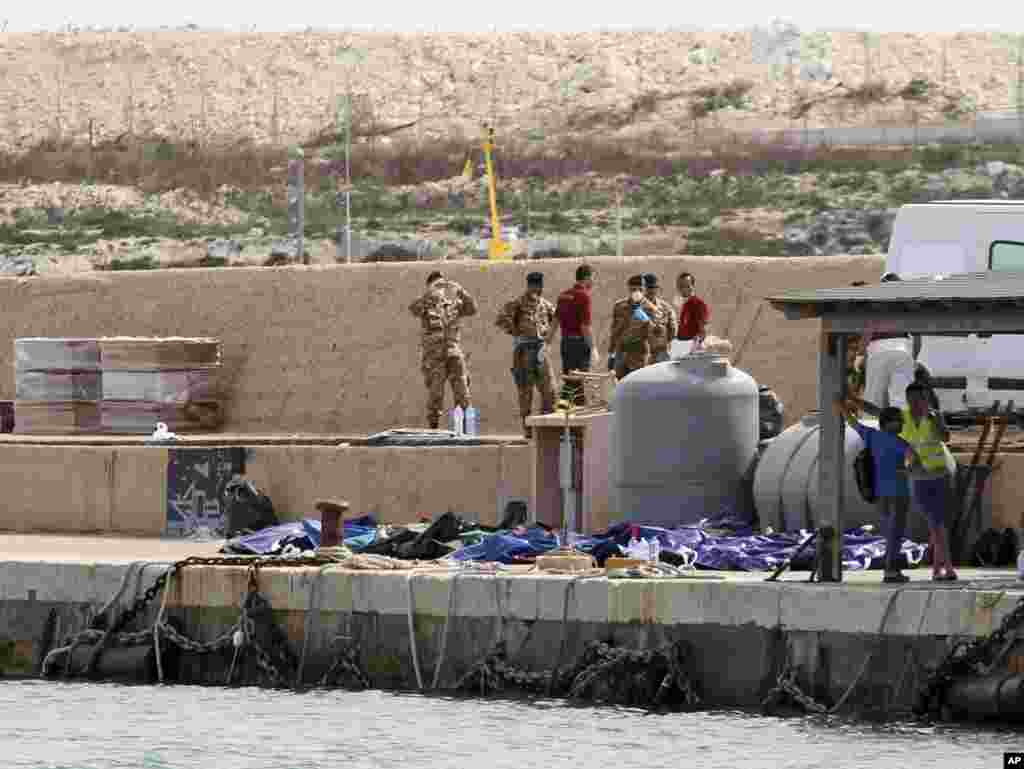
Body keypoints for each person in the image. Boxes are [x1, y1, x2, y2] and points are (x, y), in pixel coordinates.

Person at [853, 382, 957, 581]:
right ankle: (944, 567)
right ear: (909, 400)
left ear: (926, 399)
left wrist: (935, 421)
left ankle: (942, 568)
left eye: (920, 399)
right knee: (934, 523)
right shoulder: (903, 418)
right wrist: (852, 400)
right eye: (913, 400)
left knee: (939, 523)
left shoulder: (934, 416)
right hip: (919, 478)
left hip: (940, 475)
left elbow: (946, 437)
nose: (917, 404)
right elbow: (876, 411)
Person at [834, 398, 914, 584]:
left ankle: (891, 569)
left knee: (889, 533)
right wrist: (906, 470)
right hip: (898, 493)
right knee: (896, 533)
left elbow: (853, 423)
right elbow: (913, 459)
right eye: (899, 420)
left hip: (880, 495)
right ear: (890, 423)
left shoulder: (872, 436)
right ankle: (891, 571)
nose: (902, 423)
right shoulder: (901, 443)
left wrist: (842, 408)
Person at [409, 270, 477, 430]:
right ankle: (434, 428)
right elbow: (413, 309)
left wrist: (461, 291)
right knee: (435, 394)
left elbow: (472, 309)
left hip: (454, 354)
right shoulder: (425, 306)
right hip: (435, 358)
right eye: (437, 286)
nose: (441, 289)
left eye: (442, 285)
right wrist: (429, 295)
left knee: (463, 393)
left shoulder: (454, 305)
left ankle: (466, 430)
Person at [496, 272, 558, 439]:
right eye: (534, 285)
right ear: (529, 285)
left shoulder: (545, 305)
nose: (537, 289)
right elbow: (501, 319)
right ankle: (528, 432)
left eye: (539, 286)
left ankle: (547, 431)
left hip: (540, 351)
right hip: (524, 352)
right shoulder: (518, 304)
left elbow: (557, 318)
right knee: (525, 393)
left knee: (549, 391)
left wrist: (549, 337)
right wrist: (516, 332)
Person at [863, 272, 921, 410]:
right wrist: (913, 359)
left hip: (877, 351)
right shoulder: (906, 309)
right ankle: (905, 429)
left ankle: (872, 428)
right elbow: (918, 338)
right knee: (902, 399)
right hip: (902, 351)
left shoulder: (873, 308)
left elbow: (866, 338)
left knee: (873, 398)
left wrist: (863, 358)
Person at [556, 264, 596, 406]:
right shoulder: (584, 296)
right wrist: (593, 347)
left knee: (569, 379)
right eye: (592, 278)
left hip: (566, 344)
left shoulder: (563, 295)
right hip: (579, 344)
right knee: (580, 381)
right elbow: (585, 327)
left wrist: (547, 342)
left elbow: (555, 321)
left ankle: (564, 411)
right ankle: (575, 418)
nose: (593, 282)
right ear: (586, 278)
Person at [608, 275, 657, 380]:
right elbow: (614, 331)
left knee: (637, 385)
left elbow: (655, 333)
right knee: (619, 385)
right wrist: (611, 354)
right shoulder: (619, 306)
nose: (637, 292)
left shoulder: (650, 309)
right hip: (621, 352)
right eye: (633, 289)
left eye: (640, 289)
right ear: (629, 289)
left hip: (639, 354)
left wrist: (645, 319)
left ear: (644, 290)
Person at [642, 273, 677, 363]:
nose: (652, 291)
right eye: (649, 288)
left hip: (661, 354)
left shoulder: (666, 308)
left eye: (654, 288)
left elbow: (673, 331)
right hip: (641, 356)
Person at [675, 271, 709, 351]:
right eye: (681, 286)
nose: (684, 289)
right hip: (679, 347)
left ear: (693, 286)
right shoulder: (679, 304)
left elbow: (703, 331)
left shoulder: (699, 304)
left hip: (691, 350)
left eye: (687, 286)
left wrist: (693, 346)